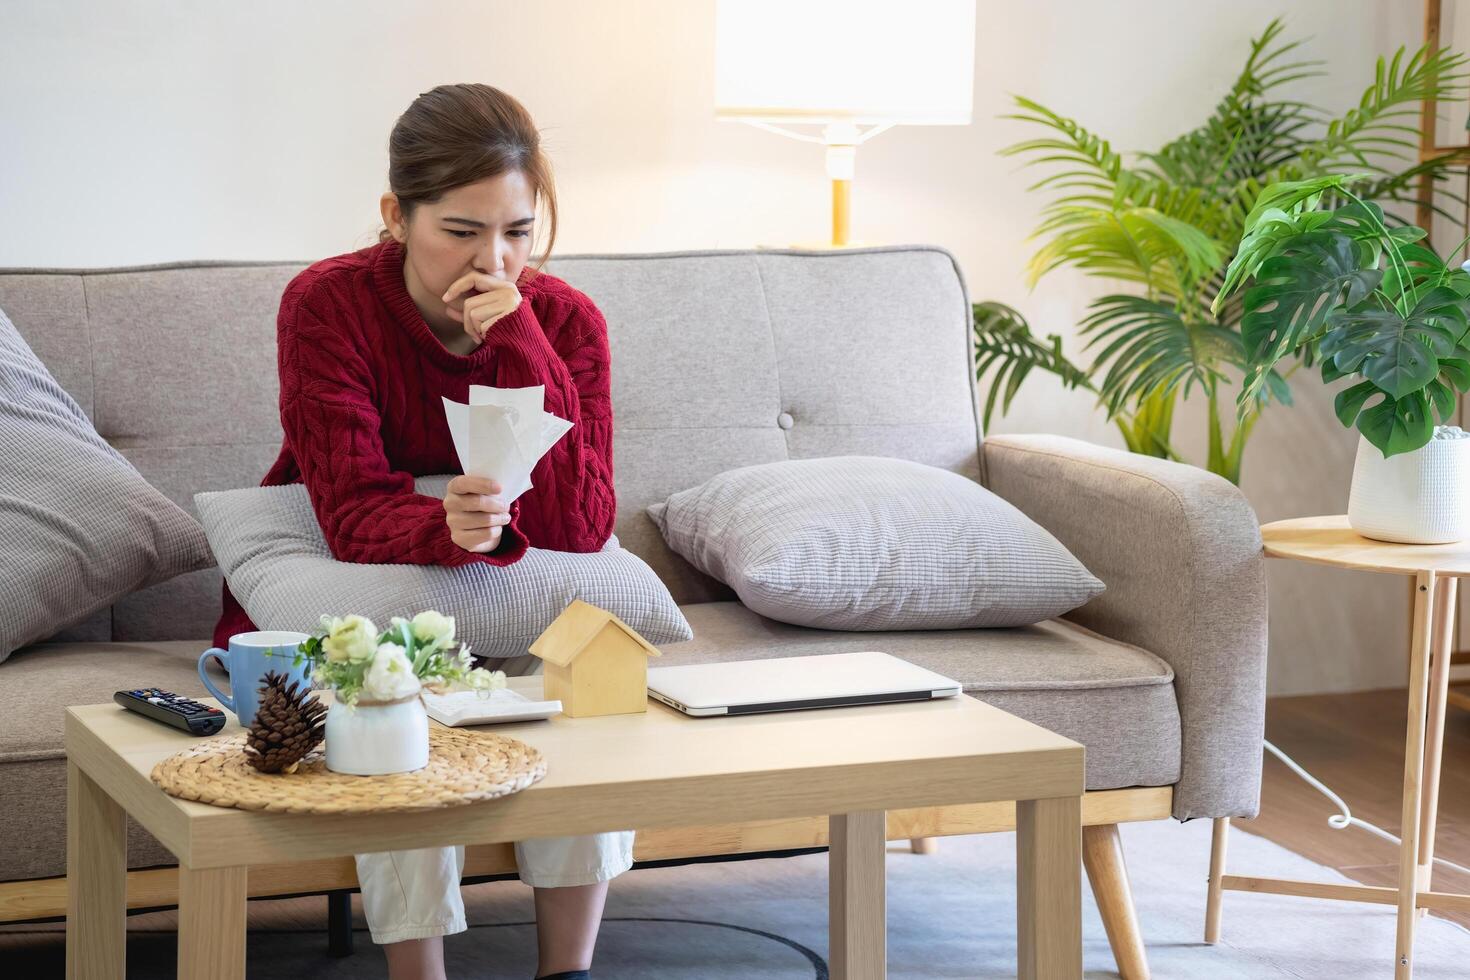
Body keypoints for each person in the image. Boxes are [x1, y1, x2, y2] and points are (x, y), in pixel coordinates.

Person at [210, 82, 632, 980]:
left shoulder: (565, 321)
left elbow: (582, 524)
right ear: (395, 215)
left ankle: (571, 969)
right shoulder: (327, 304)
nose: (495, 262)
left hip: (508, 581)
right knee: (388, 697)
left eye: (518, 232)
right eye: (462, 231)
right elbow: (354, 506)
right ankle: (417, 973)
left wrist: (518, 347)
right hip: (369, 580)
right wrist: (447, 523)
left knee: (586, 677)